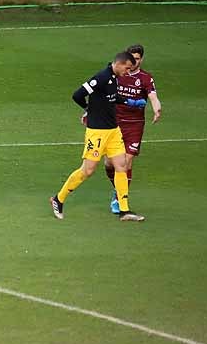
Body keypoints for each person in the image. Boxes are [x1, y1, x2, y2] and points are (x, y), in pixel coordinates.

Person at [49, 50, 146, 222]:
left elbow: (112, 97)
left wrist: (128, 102)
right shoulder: (100, 77)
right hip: (97, 133)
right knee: (88, 170)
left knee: (121, 166)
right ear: (120, 63)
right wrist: (88, 109)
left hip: (113, 131)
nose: (128, 72)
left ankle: (124, 210)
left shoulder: (115, 78)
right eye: (128, 68)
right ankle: (58, 199)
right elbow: (77, 94)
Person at [105, 44, 161, 214]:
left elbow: (153, 96)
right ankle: (118, 187)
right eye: (131, 58)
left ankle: (119, 197)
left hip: (134, 125)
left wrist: (157, 108)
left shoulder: (145, 78)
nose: (133, 62)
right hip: (114, 123)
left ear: (141, 59)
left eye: (137, 59)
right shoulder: (117, 73)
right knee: (109, 164)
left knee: (126, 162)